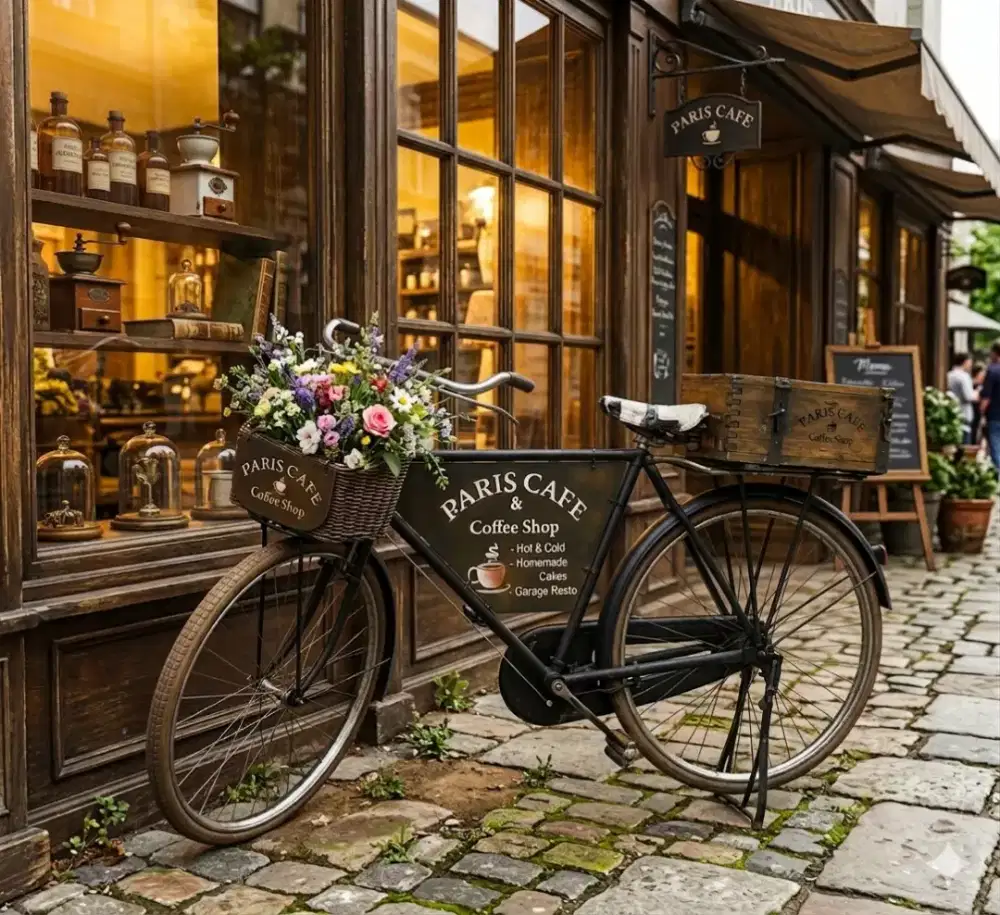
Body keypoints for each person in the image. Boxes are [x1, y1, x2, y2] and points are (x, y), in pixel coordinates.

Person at [947, 352, 977, 444]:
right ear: (965, 362)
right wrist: (977, 393)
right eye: (970, 362)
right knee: (964, 446)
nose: (971, 365)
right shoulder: (964, 376)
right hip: (964, 414)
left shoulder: (949, 374)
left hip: (952, 412)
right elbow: (969, 396)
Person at [980, 341, 1000, 471]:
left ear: (994, 353)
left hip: (995, 415)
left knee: (996, 448)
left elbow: (986, 397)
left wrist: (981, 413)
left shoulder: (993, 370)